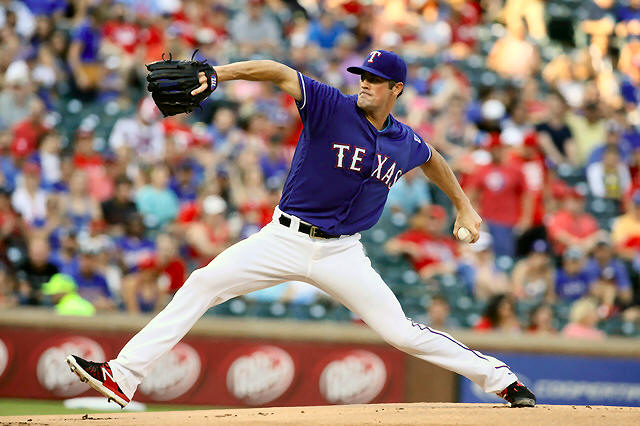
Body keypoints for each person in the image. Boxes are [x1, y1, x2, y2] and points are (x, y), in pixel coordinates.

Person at [67, 50, 535, 408]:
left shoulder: (403, 140)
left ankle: (503, 381)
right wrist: (219, 74)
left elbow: (434, 160)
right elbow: (276, 71)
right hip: (284, 238)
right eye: (363, 76)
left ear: (396, 88)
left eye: (375, 79)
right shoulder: (331, 106)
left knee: (401, 333)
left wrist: (463, 205)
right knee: (203, 283)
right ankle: (122, 375)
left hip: (343, 254)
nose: (365, 83)